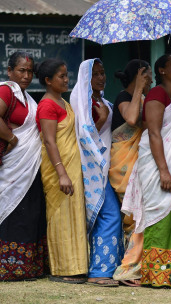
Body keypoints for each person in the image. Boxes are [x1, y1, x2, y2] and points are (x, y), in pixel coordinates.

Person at [0, 52, 47, 281]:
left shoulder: (26, 97)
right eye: (21, 70)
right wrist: (13, 140)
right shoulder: (6, 90)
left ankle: (30, 267)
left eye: (30, 71)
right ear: (9, 71)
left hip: (29, 164)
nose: (26, 76)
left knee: (31, 211)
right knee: (13, 211)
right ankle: (10, 267)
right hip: (13, 165)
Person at [121, 54, 171, 288]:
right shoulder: (157, 94)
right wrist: (164, 171)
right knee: (156, 214)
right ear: (162, 70)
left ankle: (168, 273)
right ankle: (152, 273)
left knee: (170, 217)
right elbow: (156, 133)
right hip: (156, 164)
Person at [70, 59, 123, 287]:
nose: (102, 77)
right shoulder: (83, 102)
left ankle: (109, 267)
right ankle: (99, 271)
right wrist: (101, 119)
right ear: (86, 79)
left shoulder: (101, 99)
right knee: (109, 215)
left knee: (108, 215)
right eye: (96, 74)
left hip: (106, 165)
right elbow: (85, 136)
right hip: (92, 165)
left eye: (103, 73)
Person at [35, 58, 88, 283]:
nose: (67, 80)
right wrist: (62, 173)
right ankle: (62, 269)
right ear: (48, 80)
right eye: (61, 76)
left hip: (71, 166)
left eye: (67, 75)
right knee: (60, 216)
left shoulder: (63, 101)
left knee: (73, 215)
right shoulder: (47, 105)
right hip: (58, 169)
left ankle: (76, 266)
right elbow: (49, 141)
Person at [110, 60, 152, 286]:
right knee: (133, 218)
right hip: (123, 165)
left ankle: (135, 265)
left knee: (139, 217)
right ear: (139, 77)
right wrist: (138, 88)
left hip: (139, 163)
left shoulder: (143, 99)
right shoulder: (123, 98)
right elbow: (132, 119)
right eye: (148, 76)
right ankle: (128, 269)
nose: (152, 80)